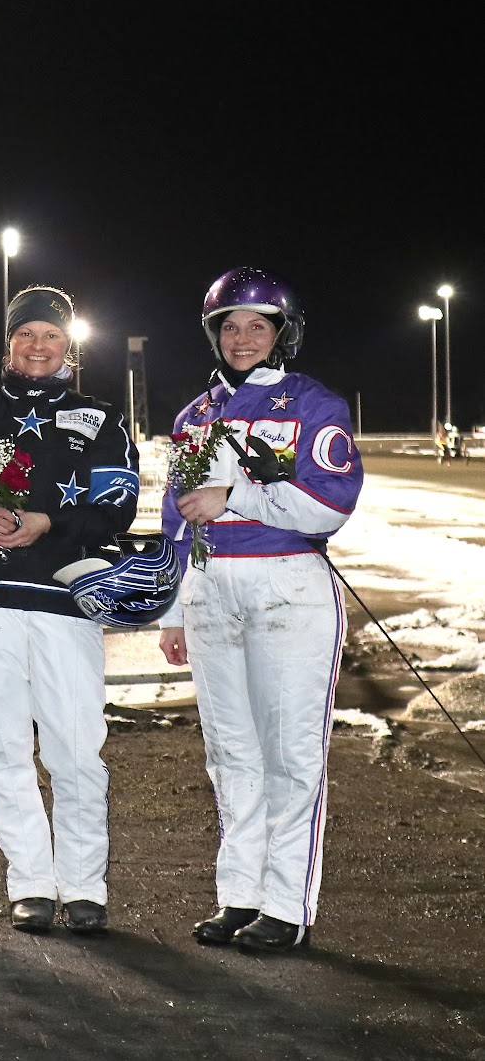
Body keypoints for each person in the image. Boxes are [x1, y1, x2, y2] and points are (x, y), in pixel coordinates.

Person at [159, 267, 362, 952]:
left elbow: (329, 509)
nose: (242, 337)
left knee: (290, 756)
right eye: (229, 326)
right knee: (230, 754)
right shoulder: (194, 416)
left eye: (257, 325)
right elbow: (176, 519)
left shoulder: (313, 404)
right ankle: (239, 894)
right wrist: (173, 611)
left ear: (282, 333)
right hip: (211, 588)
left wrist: (237, 496)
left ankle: (285, 905)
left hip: (287, 585)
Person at [0, 286, 139, 935]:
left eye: (50, 335)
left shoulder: (101, 418)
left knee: (75, 750)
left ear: (68, 346)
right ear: (8, 343)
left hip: (64, 600)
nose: (37, 345)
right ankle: (29, 883)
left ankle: (83, 887)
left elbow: (116, 510)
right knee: (1, 748)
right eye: (25, 333)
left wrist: (48, 522)